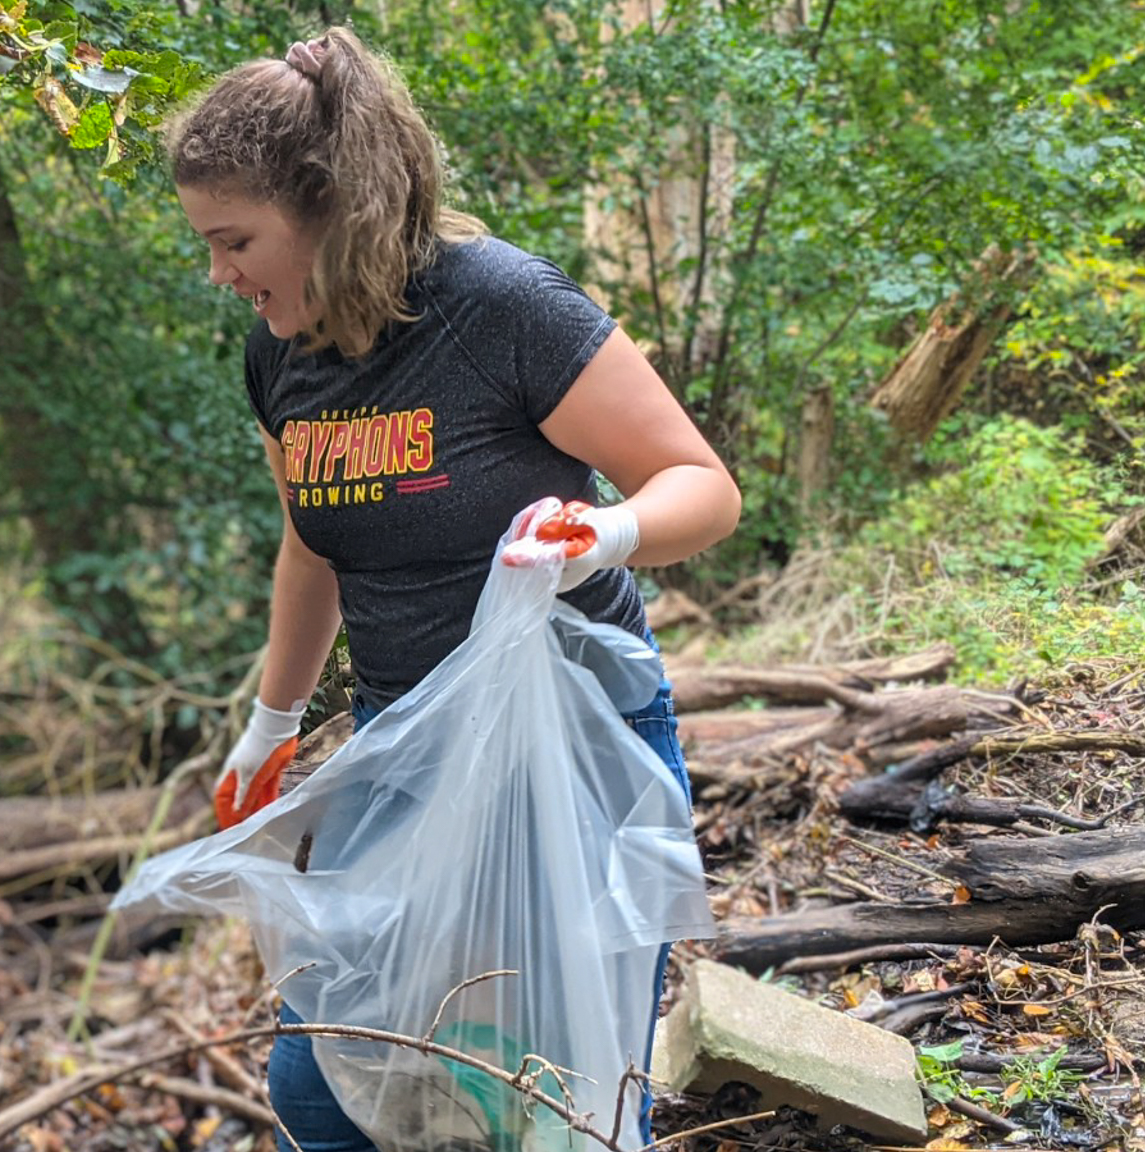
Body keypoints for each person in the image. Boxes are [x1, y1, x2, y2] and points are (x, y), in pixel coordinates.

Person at [169, 27, 742, 1152]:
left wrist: (604, 533)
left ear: (325, 204)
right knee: (323, 1085)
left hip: (568, 750)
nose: (220, 274)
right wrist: (270, 723)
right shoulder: (277, 354)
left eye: (233, 241)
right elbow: (308, 545)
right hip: (402, 746)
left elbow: (702, 487)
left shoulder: (497, 307)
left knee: (544, 1094)